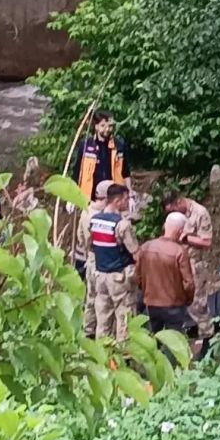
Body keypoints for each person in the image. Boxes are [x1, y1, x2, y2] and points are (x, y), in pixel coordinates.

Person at [163, 190, 214, 360]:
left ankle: (208, 339)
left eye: (172, 210)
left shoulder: (199, 213)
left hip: (193, 265)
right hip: (176, 263)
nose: (171, 214)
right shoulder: (173, 215)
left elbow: (207, 241)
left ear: (179, 202)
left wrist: (186, 239)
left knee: (197, 304)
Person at [91, 183, 139, 341]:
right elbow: (135, 252)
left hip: (100, 275)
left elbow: (90, 246)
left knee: (103, 319)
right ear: (117, 201)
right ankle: (124, 352)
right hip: (119, 277)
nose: (128, 202)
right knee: (125, 318)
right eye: (126, 199)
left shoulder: (94, 221)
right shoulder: (122, 224)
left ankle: (102, 350)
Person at [136, 212, 195, 333]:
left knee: (152, 337)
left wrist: (146, 292)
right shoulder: (179, 252)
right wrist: (188, 300)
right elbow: (188, 283)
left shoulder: (146, 247)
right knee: (174, 339)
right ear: (180, 231)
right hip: (174, 304)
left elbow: (137, 276)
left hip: (151, 303)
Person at [76, 179, 113, 337]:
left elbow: (80, 236)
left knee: (90, 298)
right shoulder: (99, 217)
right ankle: (101, 335)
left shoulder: (86, 210)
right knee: (102, 300)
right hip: (100, 260)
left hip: (90, 259)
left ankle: (88, 331)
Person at [72, 110, 131, 202]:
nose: (107, 129)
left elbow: (126, 173)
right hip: (90, 198)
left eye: (110, 126)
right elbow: (77, 173)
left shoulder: (119, 145)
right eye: (103, 126)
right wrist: (72, 197)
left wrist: (130, 195)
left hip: (114, 198)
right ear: (96, 126)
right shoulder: (86, 145)